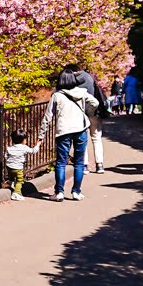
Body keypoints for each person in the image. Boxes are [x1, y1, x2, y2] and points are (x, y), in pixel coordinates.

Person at [38, 71, 99, 201]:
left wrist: (41, 135)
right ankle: (76, 191)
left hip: (63, 131)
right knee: (79, 162)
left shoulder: (57, 96)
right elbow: (95, 103)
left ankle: (59, 192)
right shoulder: (82, 92)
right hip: (81, 129)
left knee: (61, 163)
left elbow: (48, 117)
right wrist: (87, 112)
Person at [64, 64, 108, 173]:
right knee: (96, 138)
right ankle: (100, 164)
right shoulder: (89, 77)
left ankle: (84, 165)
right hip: (94, 112)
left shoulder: (69, 81)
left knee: (81, 139)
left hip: (79, 114)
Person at [5, 128, 41, 201]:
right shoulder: (24, 147)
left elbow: (5, 156)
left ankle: (11, 182)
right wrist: (38, 145)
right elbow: (33, 151)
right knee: (19, 181)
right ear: (23, 140)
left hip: (9, 166)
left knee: (11, 175)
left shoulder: (10, 148)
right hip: (18, 168)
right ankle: (16, 193)